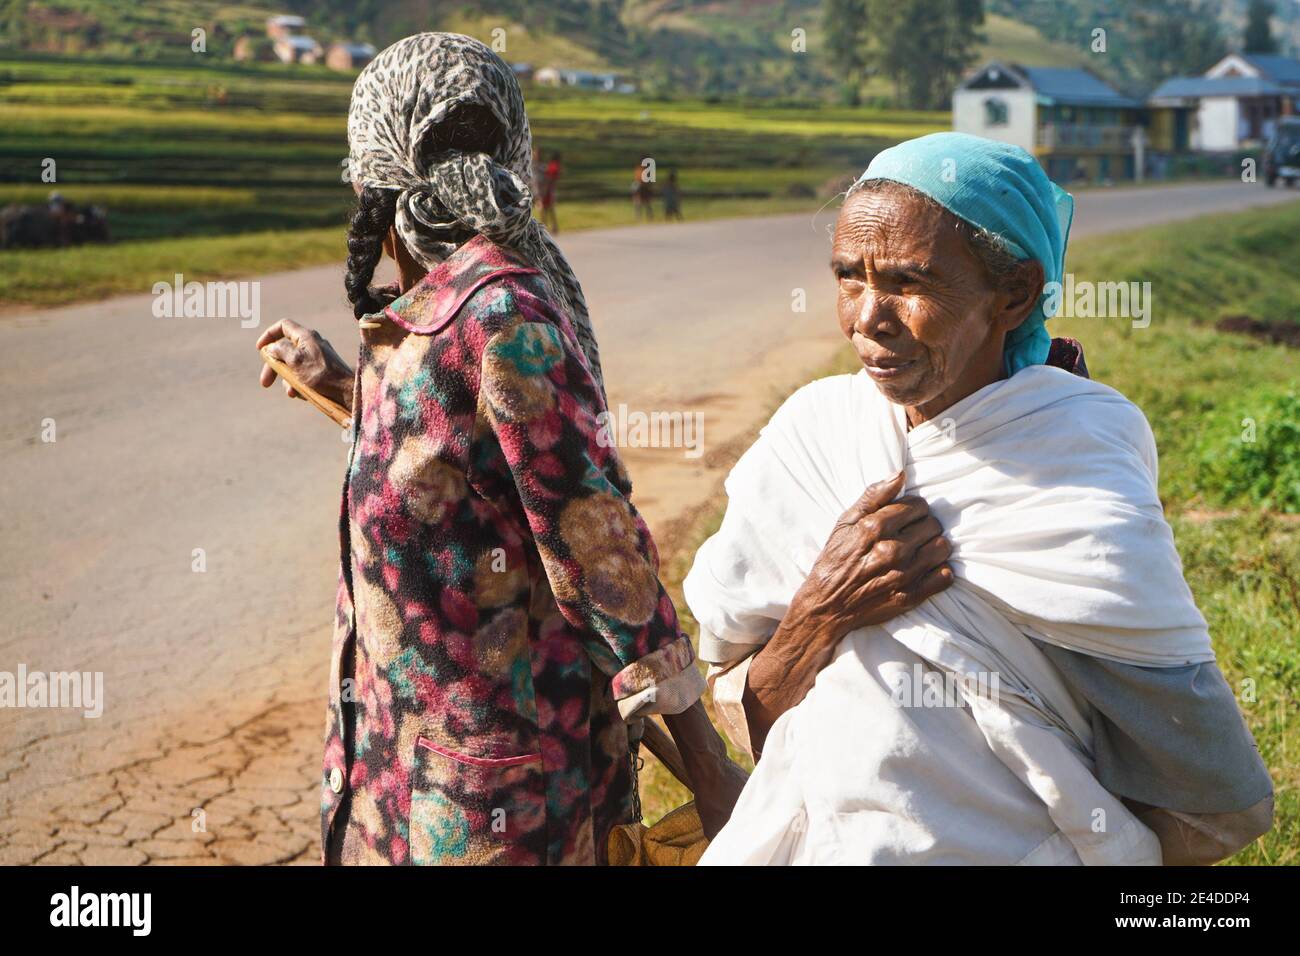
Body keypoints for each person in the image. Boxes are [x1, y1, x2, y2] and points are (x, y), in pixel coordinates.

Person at [684, 132, 1273, 865]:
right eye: (848, 277)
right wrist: (820, 613)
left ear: (1015, 292)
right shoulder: (816, 434)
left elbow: (1204, 792)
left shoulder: (1077, 455)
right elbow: (751, 712)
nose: (868, 317)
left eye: (908, 282)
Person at [256, 32, 745, 866]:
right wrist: (346, 389)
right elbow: (466, 477)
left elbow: (597, 548)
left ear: (370, 171)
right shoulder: (431, 313)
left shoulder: (500, 314)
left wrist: (707, 766)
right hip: (395, 776)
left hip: (500, 809)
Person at [540, 150, 561, 233]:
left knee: (544, 209)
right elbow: (551, 178)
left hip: (547, 189)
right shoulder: (555, 166)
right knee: (549, 209)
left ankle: (546, 227)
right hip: (549, 189)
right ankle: (553, 226)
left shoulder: (551, 165)